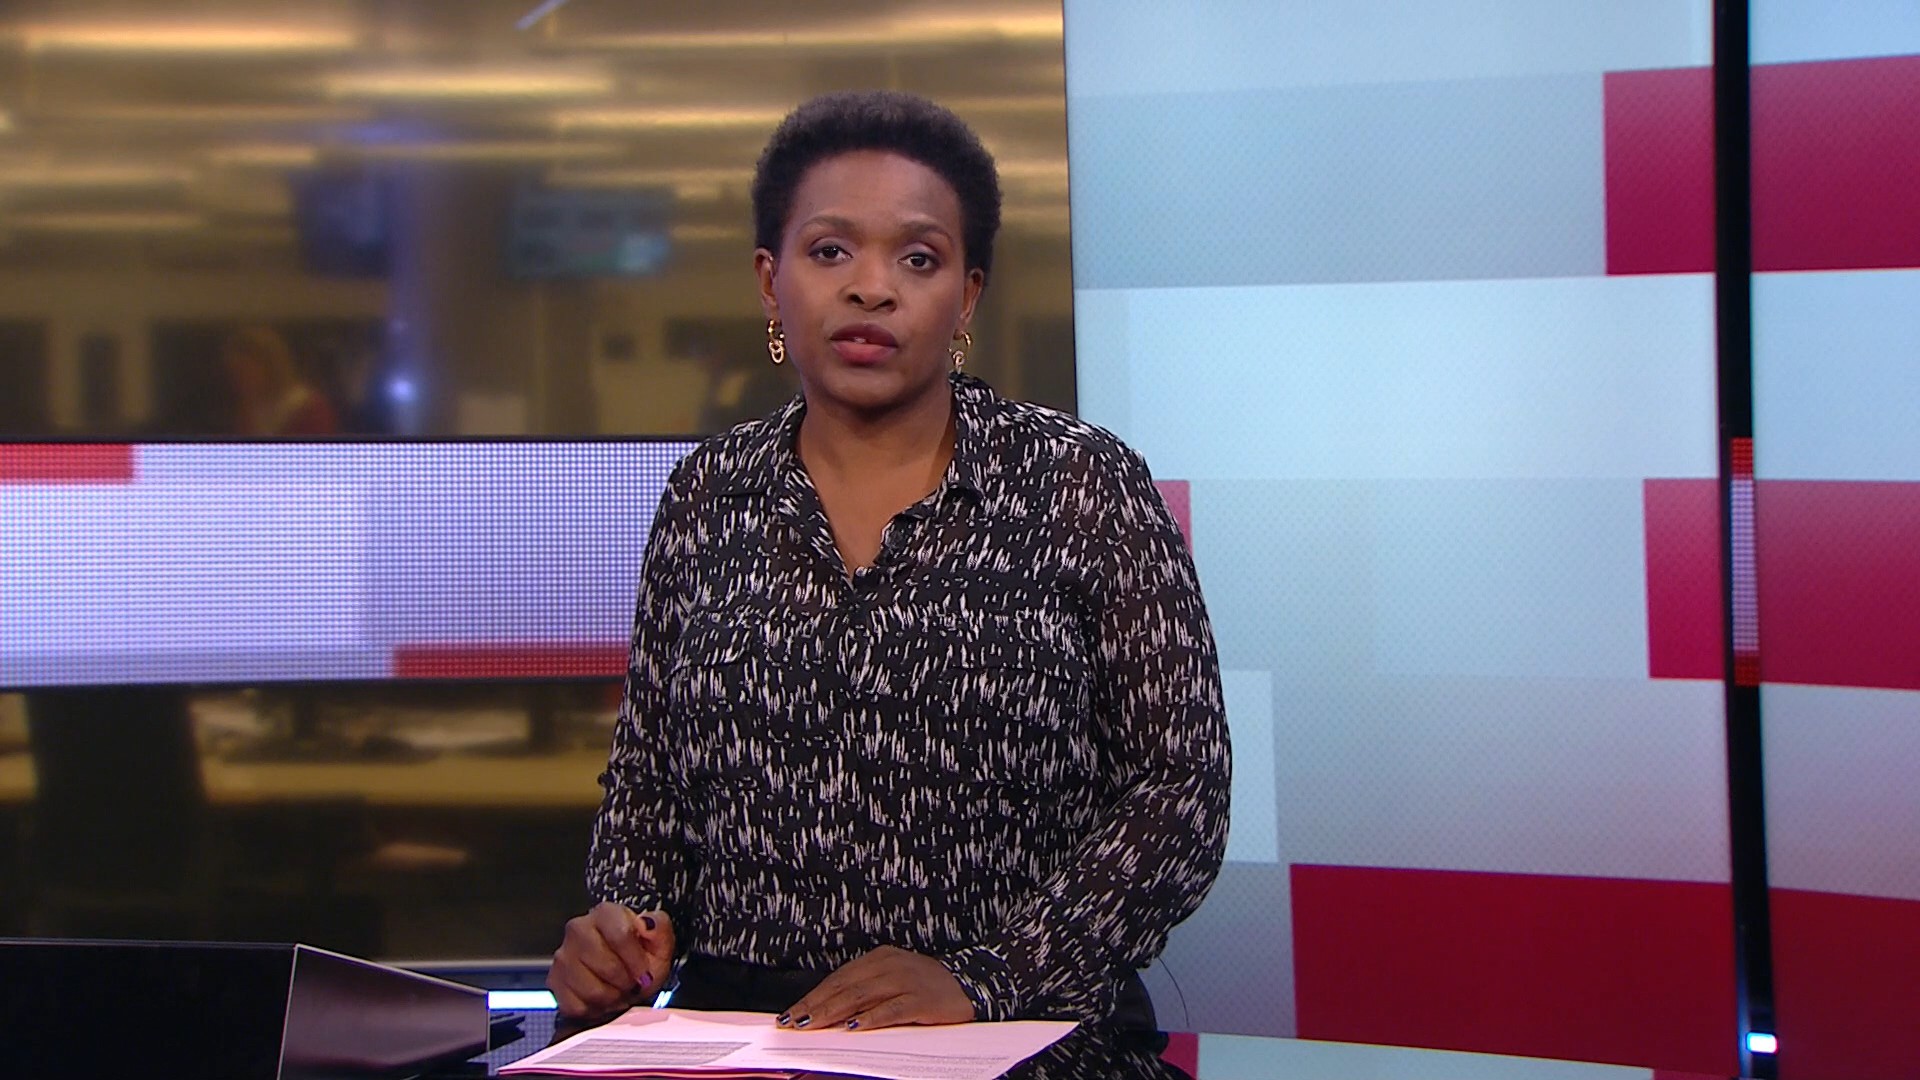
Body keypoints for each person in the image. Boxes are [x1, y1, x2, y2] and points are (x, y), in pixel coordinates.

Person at [547, 90, 1230, 1078]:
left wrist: (987, 977)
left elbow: (1181, 789)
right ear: (770, 279)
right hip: (747, 1037)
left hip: (1018, 1033)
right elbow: (651, 784)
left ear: (968, 296)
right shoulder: (708, 492)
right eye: (831, 251)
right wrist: (625, 926)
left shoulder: (1082, 484)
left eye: (918, 258)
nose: (872, 289)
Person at [221, 325, 339, 436]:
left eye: (244, 371)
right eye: (234, 373)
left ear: (270, 366)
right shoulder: (247, 411)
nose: (238, 380)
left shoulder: (310, 409)